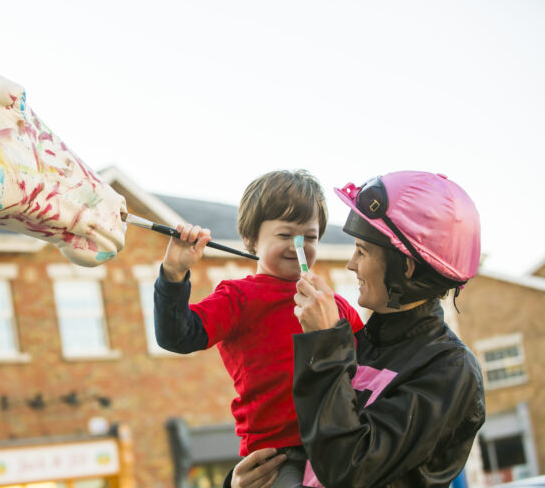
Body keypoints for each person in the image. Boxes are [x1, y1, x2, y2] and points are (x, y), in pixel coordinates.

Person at [229, 171, 486, 488]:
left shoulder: (449, 371)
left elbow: (348, 470)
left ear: (405, 267)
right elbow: (305, 450)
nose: (351, 264)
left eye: (362, 251)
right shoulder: (356, 341)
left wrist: (324, 344)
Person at [154, 170, 364, 488]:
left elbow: (372, 365)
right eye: (285, 235)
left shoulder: (333, 304)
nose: (298, 246)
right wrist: (173, 272)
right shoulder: (238, 298)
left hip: (342, 440)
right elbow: (178, 336)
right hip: (278, 456)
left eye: (309, 237)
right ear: (251, 240)